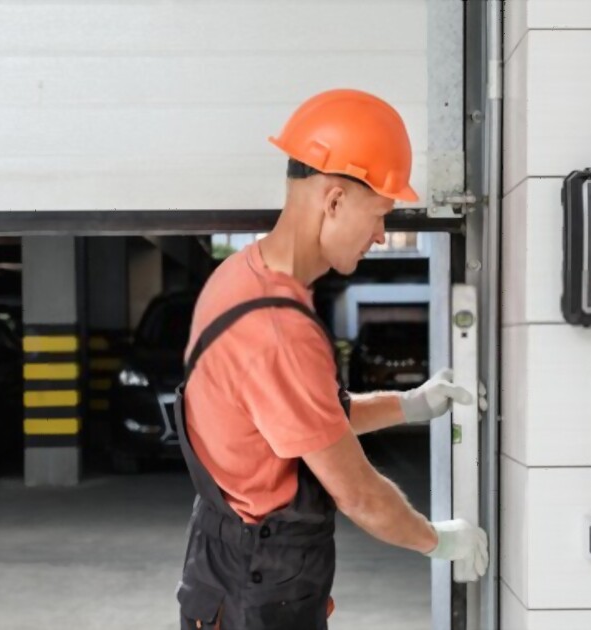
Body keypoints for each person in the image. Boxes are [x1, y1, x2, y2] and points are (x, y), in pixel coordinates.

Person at [174, 88, 489, 630]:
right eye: (380, 215)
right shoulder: (278, 331)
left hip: (227, 569)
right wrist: (438, 541)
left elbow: (304, 420)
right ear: (335, 199)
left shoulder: (240, 279)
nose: (380, 235)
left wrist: (410, 404)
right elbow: (360, 494)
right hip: (260, 588)